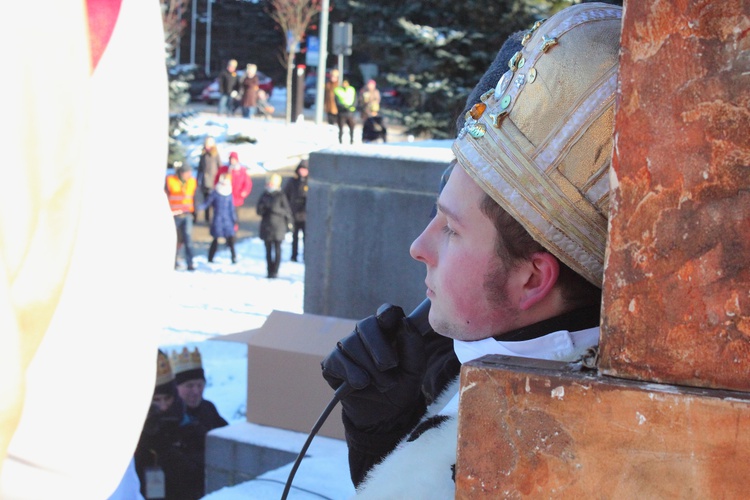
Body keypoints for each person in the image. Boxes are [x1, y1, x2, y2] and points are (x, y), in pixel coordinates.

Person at [321, 3, 622, 497]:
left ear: (531, 279)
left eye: (452, 230)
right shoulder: (491, 369)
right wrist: (386, 436)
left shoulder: (541, 463)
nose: (419, 247)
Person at [134, 351, 203, 500]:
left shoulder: (189, 426)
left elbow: (197, 479)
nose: (164, 406)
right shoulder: (130, 431)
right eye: (156, 400)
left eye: (167, 398)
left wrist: (165, 448)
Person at [256, 173, 293, 278]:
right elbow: (258, 211)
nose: (270, 185)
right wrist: (264, 207)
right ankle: (269, 270)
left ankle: (275, 271)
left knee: (277, 250)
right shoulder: (264, 195)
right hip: (267, 227)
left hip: (278, 227)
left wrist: (276, 210)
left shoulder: (281, 195)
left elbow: (287, 211)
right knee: (268, 251)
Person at [197, 173, 238, 263]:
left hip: (227, 220)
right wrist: (198, 207)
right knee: (215, 239)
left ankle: (234, 257)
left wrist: (234, 219)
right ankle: (210, 258)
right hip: (218, 219)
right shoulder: (216, 192)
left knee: (230, 240)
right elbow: (207, 203)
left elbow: (231, 208)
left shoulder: (229, 194)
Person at [165, 162, 197, 271]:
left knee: (188, 239)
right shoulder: (170, 180)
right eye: (187, 173)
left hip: (187, 214)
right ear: (181, 173)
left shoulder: (192, 182)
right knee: (174, 240)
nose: (189, 175)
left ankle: (190, 263)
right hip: (174, 215)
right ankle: (172, 262)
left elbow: (194, 197)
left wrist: (195, 213)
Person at [283, 159, 309, 262]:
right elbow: (285, 195)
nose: (302, 172)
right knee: (294, 237)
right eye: (301, 169)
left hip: (305, 215)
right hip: (294, 213)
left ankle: (305, 256)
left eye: (305, 169)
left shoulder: (310, 182)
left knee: (306, 237)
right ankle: (294, 255)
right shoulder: (292, 181)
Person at [196, 136, 221, 222]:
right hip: (204, 182)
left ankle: (215, 217)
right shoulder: (203, 155)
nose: (206, 147)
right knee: (206, 199)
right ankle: (207, 218)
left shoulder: (215, 155)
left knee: (213, 200)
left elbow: (220, 167)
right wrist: (198, 179)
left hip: (213, 181)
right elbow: (200, 168)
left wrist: (219, 179)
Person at [334, 78, 357, 144]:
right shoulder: (338, 90)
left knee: (351, 127)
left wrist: (352, 107)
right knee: (341, 127)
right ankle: (340, 140)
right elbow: (337, 100)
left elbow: (355, 99)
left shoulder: (352, 89)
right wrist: (342, 107)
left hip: (350, 112)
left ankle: (351, 140)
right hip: (342, 112)